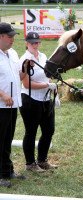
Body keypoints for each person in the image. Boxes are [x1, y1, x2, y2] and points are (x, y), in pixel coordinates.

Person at [19, 32, 58, 173]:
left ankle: (42, 160)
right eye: (32, 43)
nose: (35, 45)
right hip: (30, 99)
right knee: (31, 132)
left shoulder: (43, 56)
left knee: (49, 130)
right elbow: (26, 83)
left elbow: (46, 75)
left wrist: (50, 83)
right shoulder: (24, 59)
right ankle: (30, 163)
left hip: (45, 99)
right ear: (26, 43)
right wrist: (47, 86)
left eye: (37, 42)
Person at [0, 22, 29, 188]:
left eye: (13, 36)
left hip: (13, 104)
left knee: (8, 139)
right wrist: (3, 94)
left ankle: (7, 170)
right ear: (1, 36)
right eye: (9, 36)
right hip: (1, 105)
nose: (12, 39)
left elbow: (18, 76)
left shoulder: (12, 53)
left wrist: (25, 69)